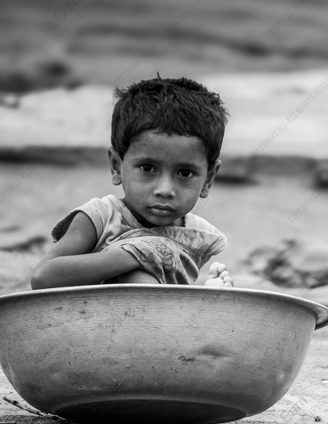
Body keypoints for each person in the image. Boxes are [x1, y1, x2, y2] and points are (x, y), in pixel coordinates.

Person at [31, 76, 233, 289]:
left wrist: (210, 296)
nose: (165, 190)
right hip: (91, 318)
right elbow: (43, 277)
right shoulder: (100, 218)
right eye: (148, 168)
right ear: (117, 166)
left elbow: (170, 296)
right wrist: (137, 254)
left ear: (208, 179)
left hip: (159, 319)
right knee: (135, 275)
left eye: (185, 173)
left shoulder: (198, 236)